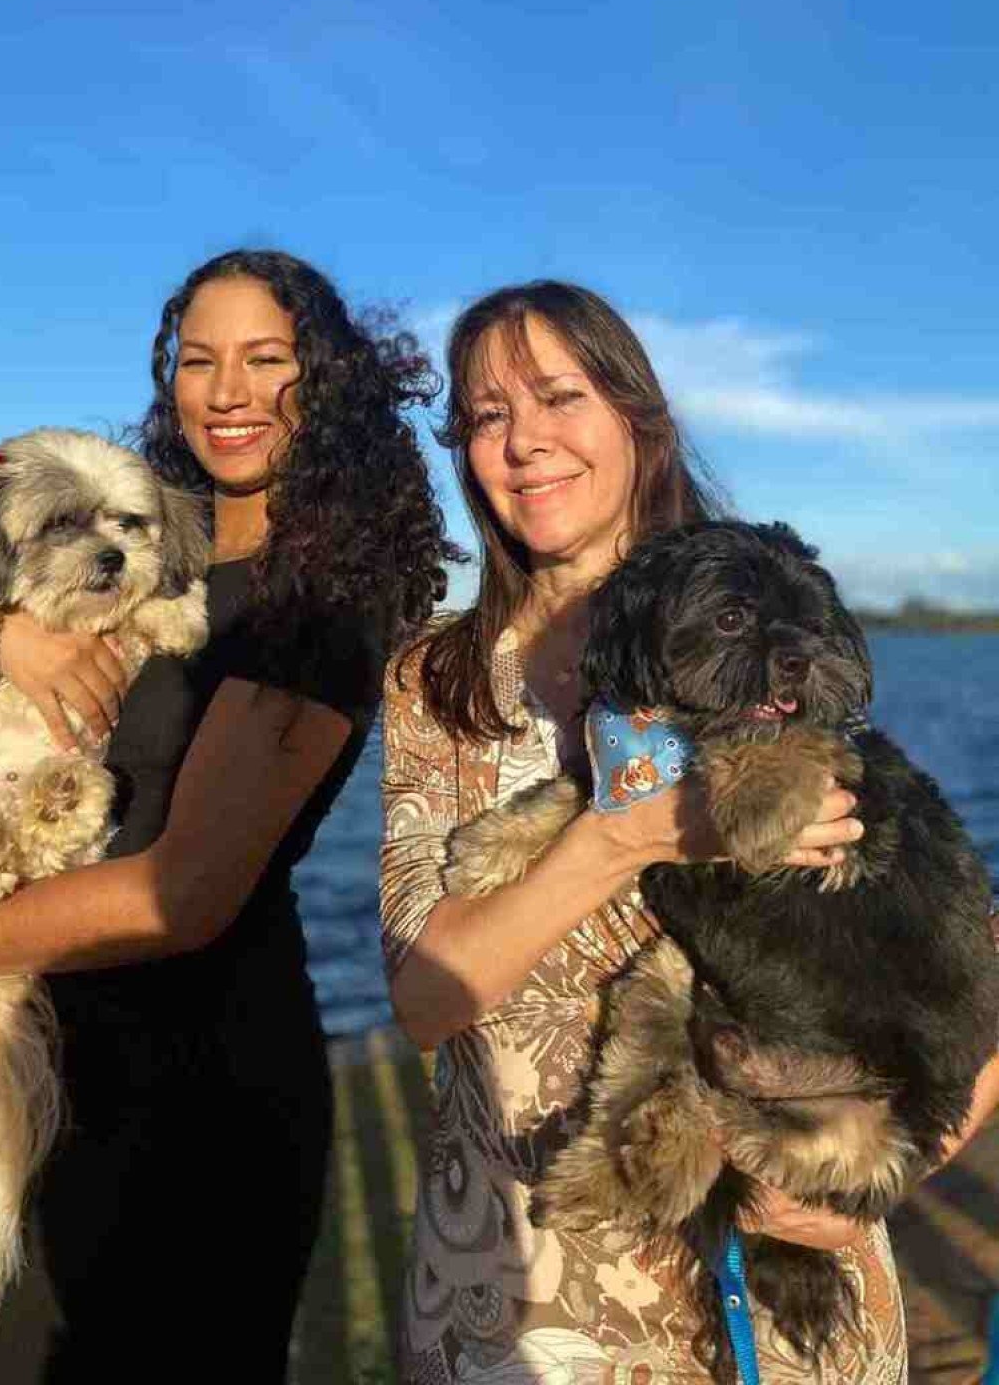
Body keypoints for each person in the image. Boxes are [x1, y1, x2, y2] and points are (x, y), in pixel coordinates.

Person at [379, 280, 999, 1383]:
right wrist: (629, 835)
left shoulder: (757, 616)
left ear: (637, 419)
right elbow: (428, 1001)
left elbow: (971, 948)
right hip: (525, 1284)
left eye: (560, 397)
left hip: (789, 1259)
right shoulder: (440, 681)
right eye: (486, 415)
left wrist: (890, 1164)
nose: (524, 442)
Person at [0, 249, 460, 1381]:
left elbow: (181, 894)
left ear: (326, 380)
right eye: (199, 360)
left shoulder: (317, 597)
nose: (226, 391)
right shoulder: (128, 548)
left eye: (266, 359)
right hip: (45, 1055)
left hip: (192, 1097)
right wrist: (8, 627)